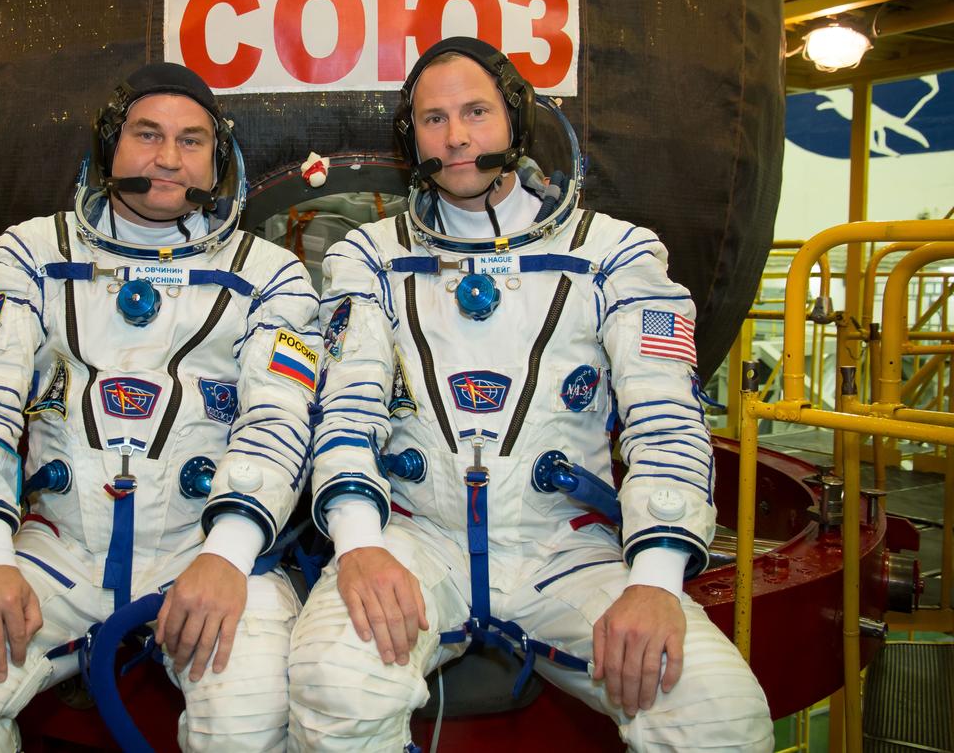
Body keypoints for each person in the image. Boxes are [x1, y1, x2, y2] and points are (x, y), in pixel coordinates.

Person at [287, 37, 773, 751]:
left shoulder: (618, 253)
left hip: (567, 549)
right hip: (419, 540)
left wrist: (656, 578)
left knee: (719, 718)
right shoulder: (370, 256)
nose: (456, 137)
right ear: (411, 138)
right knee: (333, 681)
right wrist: (359, 542)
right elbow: (346, 406)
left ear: (516, 120)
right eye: (433, 119)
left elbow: (666, 417)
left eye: (476, 112)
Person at [0, 63, 320, 752]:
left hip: (201, 547)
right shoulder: (27, 256)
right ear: (108, 147)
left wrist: (228, 552)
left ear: (217, 159)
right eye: (147, 134)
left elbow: (280, 416)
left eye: (191, 140)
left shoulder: (269, 275)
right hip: (57, 549)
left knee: (246, 717)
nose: (169, 157)